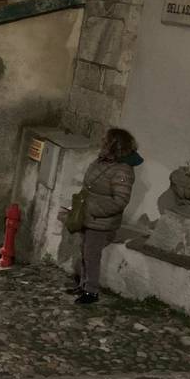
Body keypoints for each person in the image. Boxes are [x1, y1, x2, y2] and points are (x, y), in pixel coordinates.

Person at [71, 128, 142, 305]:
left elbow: (120, 201)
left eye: (106, 139)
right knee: (85, 251)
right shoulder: (103, 161)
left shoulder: (122, 170)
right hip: (89, 216)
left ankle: (91, 291)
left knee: (91, 254)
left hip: (101, 221)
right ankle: (83, 284)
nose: (102, 141)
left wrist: (94, 209)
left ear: (114, 144)